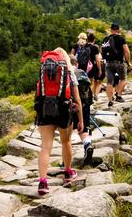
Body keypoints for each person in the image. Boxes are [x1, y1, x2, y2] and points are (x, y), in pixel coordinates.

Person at [37, 48, 84, 195]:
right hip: (64, 109)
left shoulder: (44, 70)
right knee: (65, 142)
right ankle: (68, 172)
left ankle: (43, 182)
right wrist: (81, 120)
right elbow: (77, 99)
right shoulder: (70, 73)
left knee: (45, 147)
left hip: (45, 108)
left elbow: (38, 92)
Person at [69, 54, 94, 166]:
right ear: (77, 63)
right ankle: (87, 145)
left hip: (72, 106)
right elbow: (90, 93)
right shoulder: (83, 73)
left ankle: (65, 161)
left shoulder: (67, 74)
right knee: (83, 130)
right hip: (85, 104)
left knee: (67, 134)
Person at [101, 23, 131, 107]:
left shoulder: (105, 39)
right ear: (118, 30)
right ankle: (118, 95)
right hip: (119, 62)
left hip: (108, 63)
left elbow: (101, 50)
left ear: (111, 30)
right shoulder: (121, 38)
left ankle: (110, 101)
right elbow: (126, 51)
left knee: (109, 83)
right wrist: (128, 62)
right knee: (123, 79)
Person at [86, 33, 103, 101]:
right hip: (92, 66)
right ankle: (90, 95)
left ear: (87, 39)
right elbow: (97, 59)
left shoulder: (83, 46)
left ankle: (86, 94)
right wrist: (100, 69)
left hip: (83, 65)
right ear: (94, 40)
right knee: (92, 81)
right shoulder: (95, 47)